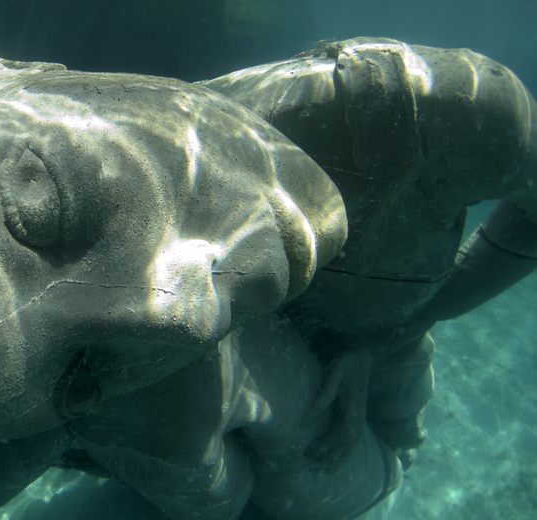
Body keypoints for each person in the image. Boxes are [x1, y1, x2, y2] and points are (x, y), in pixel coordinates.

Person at [201, 36, 537, 467]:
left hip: (390, 320)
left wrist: (399, 329)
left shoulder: (472, 110)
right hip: (272, 322)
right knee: (282, 469)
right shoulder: (198, 149)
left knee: (383, 449)